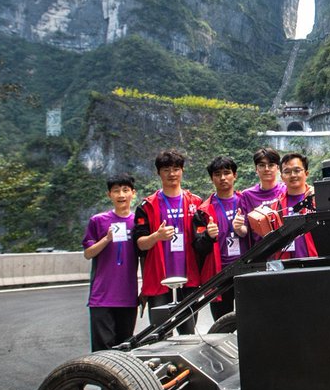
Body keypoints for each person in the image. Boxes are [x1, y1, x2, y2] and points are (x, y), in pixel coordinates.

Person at [133, 149, 203, 335]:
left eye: (176, 169)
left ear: (182, 170)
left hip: (188, 279)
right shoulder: (147, 206)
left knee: (188, 332)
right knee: (160, 333)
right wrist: (156, 236)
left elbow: (203, 242)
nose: (172, 174)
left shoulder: (196, 203)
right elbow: (140, 244)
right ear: (158, 173)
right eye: (166, 170)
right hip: (159, 280)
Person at [81, 174, 140, 350]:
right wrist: (106, 239)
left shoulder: (138, 223)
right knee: (102, 350)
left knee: (124, 350)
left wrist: (145, 290)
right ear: (109, 195)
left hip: (128, 297)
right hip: (102, 298)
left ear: (133, 193)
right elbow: (88, 253)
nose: (121, 195)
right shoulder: (98, 221)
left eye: (125, 190)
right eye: (116, 191)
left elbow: (144, 255)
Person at [193, 155, 242, 320]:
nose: (222, 178)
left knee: (249, 322)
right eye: (217, 174)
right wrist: (208, 236)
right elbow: (198, 247)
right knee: (222, 324)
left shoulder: (245, 202)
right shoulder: (203, 211)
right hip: (219, 274)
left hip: (245, 269)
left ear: (235, 175)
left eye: (227, 173)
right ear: (211, 178)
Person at [232, 146, 285, 249]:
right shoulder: (247, 195)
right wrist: (238, 227)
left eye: (271, 165)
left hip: (286, 250)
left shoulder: (286, 190)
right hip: (261, 251)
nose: (266, 169)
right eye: (262, 165)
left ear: (278, 168)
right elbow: (244, 231)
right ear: (256, 169)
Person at [273, 152, 317, 259]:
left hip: (316, 261)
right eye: (287, 172)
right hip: (286, 264)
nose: (292, 175)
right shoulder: (276, 206)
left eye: (297, 170)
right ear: (282, 177)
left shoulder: (317, 198)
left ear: (306, 173)